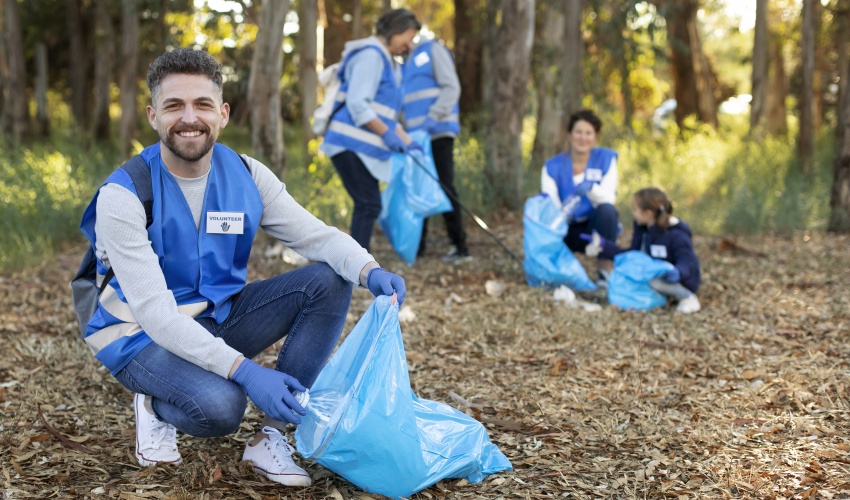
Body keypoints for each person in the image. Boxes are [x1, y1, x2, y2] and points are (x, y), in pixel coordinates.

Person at [78, 48, 406, 487]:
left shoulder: (248, 175)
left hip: (217, 315)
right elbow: (156, 314)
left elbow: (317, 236)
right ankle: (154, 403)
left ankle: (272, 433)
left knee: (329, 277)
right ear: (153, 115)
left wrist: (368, 270)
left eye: (203, 105)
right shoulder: (122, 195)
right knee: (222, 407)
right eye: (174, 106)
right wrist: (246, 371)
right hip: (139, 334)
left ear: (223, 114)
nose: (189, 118)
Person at [320, 9, 423, 252]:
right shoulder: (371, 57)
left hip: (357, 145)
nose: (409, 45)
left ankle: (356, 267)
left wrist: (407, 141)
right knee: (368, 204)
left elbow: (385, 115)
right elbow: (358, 105)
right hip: (348, 143)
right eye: (407, 38)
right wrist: (387, 135)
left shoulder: (388, 61)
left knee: (368, 204)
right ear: (392, 32)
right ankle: (355, 269)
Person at [402, 34, 470, 263]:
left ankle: (459, 245)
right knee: (419, 188)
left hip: (438, 131)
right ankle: (418, 247)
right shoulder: (406, 61)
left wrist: (433, 116)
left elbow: (451, 87)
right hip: (416, 138)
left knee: (444, 184)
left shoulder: (433, 50)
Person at [583, 187, 702, 313]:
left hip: (674, 279)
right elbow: (633, 256)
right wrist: (603, 245)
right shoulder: (644, 230)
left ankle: (687, 297)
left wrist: (678, 271)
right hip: (650, 274)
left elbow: (688, 261)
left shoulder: (676, 235)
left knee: (655, 281)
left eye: (635, 210)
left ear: (648, 213)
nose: (633, 213)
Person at [541, 109, 619, 285]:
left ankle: (605, 272)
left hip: (594, 228)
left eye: (588, 133)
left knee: (608, 211)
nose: (583, 138)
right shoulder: (552, 167)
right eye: (578, 132)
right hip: (565, 229)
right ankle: (558, 271)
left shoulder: (606, 158)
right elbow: (551, 206)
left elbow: (608, 198)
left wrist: (590, 188)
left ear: (595, 136)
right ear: (569, 134)